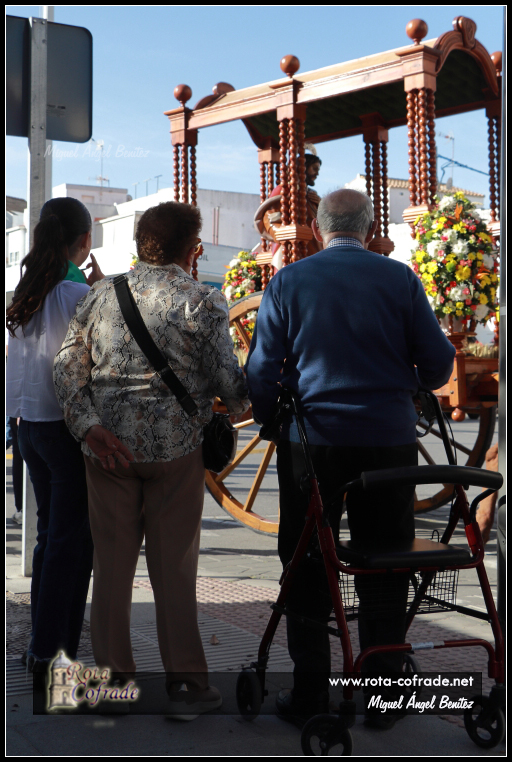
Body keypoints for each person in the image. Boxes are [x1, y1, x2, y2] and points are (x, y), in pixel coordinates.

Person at [245, 189, 456, 729]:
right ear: (369, 229)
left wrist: (272, 421)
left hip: (312, 441)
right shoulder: (400, 279)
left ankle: (311, 692)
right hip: (388, 440)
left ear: (318, 230)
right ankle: (384, 695)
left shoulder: (289, 281)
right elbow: (437, 364)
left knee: (305, 560)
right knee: (385, 560)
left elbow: (262, 369)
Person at [53, 201, 250, 719]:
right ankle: (186, 686)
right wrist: (239, 401)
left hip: (108, 450)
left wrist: (88, 426)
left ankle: (114, 684)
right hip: (176, 450)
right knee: (174, 570)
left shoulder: (100, 295)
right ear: (192, 249)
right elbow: (230, 384)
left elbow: (67, 367)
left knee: (111, 570)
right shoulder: (202, 301)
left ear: (141, 243)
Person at [6, 197, 103, 671]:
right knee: (71, 545)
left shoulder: (29, 290)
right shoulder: (77, 293)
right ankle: (51, 651)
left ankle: (40, 647)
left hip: (28, 427)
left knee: (52, 538)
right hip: (66, 430)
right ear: (84, 240)